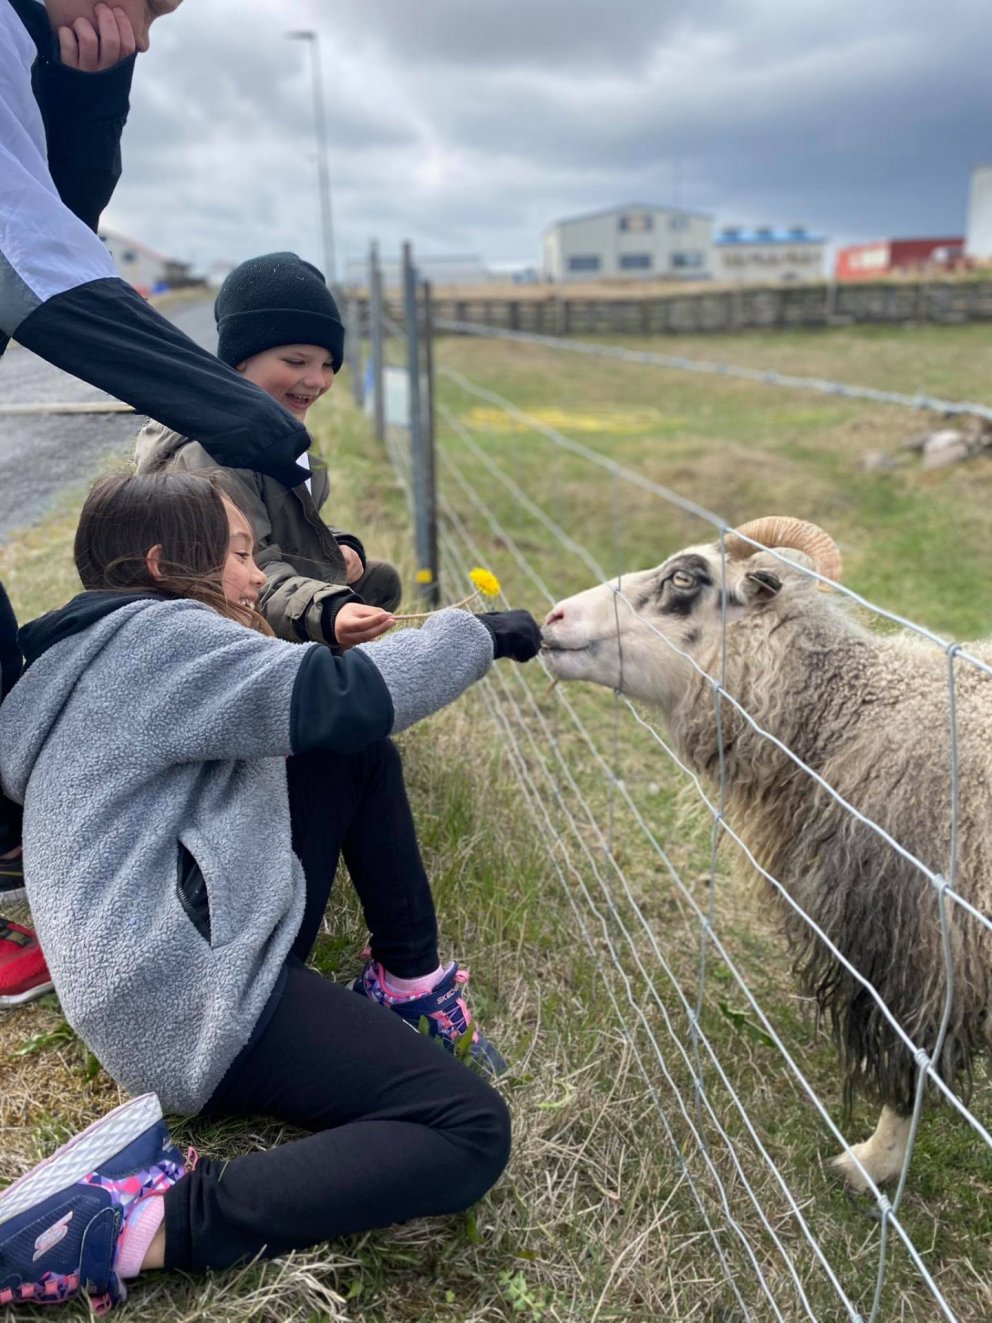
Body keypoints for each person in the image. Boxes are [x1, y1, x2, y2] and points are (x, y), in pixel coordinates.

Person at [0, 471, 541, 1311]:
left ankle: (409, 989)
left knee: (346, 753)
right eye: (241, 554)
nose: (255, 577)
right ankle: (138, 1223)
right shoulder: (159, 638)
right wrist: (475, 635)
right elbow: (347, 693)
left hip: (158, 954)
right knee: (467, 1131)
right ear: (163, 564)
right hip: (188, 999)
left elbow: (322, 719)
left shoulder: (88, 652)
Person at [2, 0, 313, 489]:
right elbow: (26, 257)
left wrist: (88, 102)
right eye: (149, 7)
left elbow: (60, 226)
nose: (144, 39)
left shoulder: (20, 48)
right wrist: (236, 413)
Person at [135, 252, 402, 651]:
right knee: (345, 612)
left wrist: (339, 548)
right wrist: (328, 612)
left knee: (378, 582)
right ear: (240, 359)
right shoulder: (212, 458)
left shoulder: (269, 436)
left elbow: (282, 527)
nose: (317, 380)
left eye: (328, 364)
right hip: (217, 621)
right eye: (296, 361)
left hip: (269, 587)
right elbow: (240, 574)